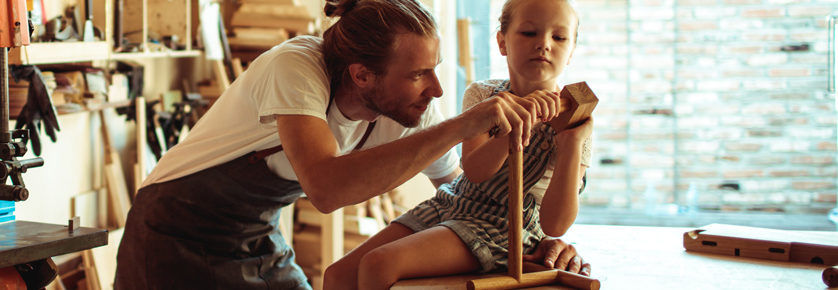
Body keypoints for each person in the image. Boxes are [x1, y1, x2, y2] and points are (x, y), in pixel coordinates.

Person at [113, 0, 585, 288]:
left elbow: (468, 193)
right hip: (173, 229)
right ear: (362, 75)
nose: (436, 90)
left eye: (436, 68)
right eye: (420, 73)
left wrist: (545, 242)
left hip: (255, 236)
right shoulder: (296, 67)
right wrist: (464, 124)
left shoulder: (413, 107)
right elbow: (326, 188)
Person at [321, 0, 594, 289]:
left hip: (505, 228)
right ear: (502, 42)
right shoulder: (484, 95)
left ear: (572, 51)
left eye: (559, 37)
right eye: (529, 33)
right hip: (453, 203)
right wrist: (517, 121)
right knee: (337, 276)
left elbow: (556, 224)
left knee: (379, 264)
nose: (544, 44)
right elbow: (475, 172)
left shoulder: (575, 118)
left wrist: (573, 142)